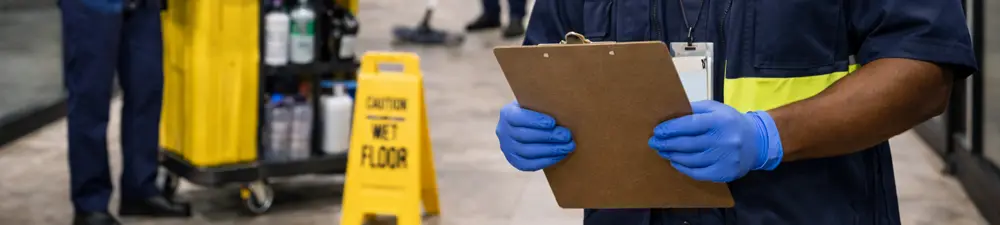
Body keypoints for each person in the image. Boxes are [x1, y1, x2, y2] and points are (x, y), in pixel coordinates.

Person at [495, 0, 976, 224]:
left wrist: (769, 135)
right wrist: (535, 117)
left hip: (807, 211)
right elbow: (549, 56)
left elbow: (925, 68)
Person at [60, 0, 191, 224]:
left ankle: (140, 189)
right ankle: (90, 204)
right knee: (90, 102)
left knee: (146, 93)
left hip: (142, 6)